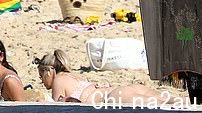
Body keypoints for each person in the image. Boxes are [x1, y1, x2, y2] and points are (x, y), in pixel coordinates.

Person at [37, 49, 165, 105]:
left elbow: (56, 108)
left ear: (48, 71)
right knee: (172, 101)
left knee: (161, 105)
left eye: (41, 75)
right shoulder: (73, 76)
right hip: (123, 89)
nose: (41, 80)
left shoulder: (58, 80)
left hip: (113, 97)